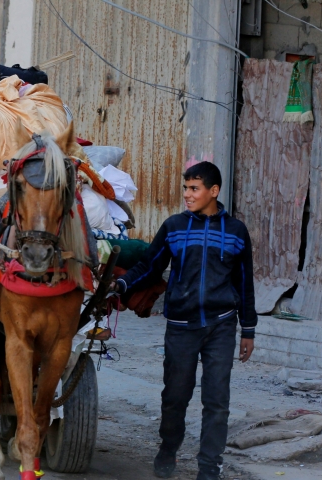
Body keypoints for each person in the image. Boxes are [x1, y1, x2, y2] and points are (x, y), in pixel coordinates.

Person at [115, 161, 257, 480]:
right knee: (175, 396)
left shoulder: (236, 233)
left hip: (221, 325)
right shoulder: (174, 227)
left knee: (217, 399)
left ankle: (209, 467)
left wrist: (248, 328)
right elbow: (150, 266)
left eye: (194, 189)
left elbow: (245, 282)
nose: (187, 195)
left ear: (213, 191)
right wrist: (123, 284)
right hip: (180, 326)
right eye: (185, 188)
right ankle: (168, 448)